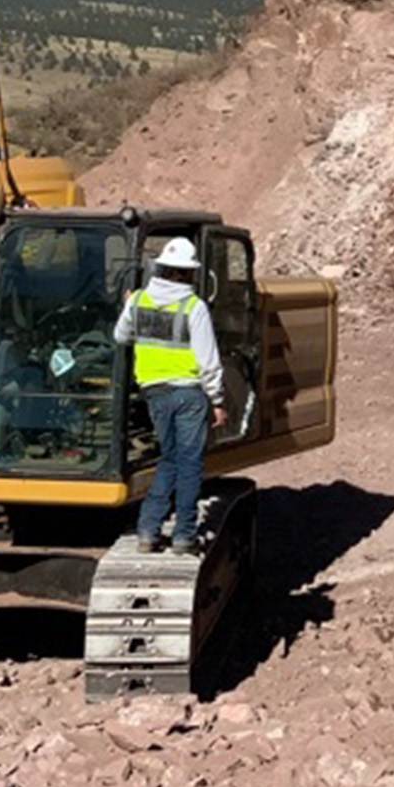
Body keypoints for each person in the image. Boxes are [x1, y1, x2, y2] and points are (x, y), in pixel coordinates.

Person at [113, 237, 226, 554]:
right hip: (188, 394)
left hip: (154, 393)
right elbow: (208, 360)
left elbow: (120, 336)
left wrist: (127, 307)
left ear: (160, 268)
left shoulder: (137, 301)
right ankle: (183, 535)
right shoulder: (194, 307)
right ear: (188, 274)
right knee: (189, 463)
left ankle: (148, 530)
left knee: (169, 458)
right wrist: (217, 401)